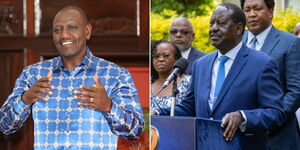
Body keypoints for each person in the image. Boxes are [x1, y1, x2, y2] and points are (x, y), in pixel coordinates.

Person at [0, 6, 144, 149]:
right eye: (57, 30)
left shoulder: (116, 74)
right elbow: (4, 125)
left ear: (87, 31)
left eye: (72, 27)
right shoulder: (33, 74)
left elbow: (135, 131)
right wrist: (25, 99)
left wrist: (109, 106)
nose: (64, 35)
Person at [157, 3, 285, 149]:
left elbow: (275, 113)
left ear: (238, 28)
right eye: (211, 23)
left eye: (221, 23)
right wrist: (159, 113)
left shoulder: (262, 64)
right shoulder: (201, 64)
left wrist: (243, 116)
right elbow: (189, 107)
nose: (213, 28)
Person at [240, 0, 300, 149]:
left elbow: (295, 90)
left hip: (277, 135)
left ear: (271, 11)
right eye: (247, 10)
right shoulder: (235, 42)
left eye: (257, 9)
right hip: (238, 134)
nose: (252, 14)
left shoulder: (290, 43)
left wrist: (268, 119)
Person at [150, 40, 191, 111]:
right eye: (156, 56)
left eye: (166, 56)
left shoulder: (189, 82)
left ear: (176, 59)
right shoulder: (149, 83)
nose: (161, 59)